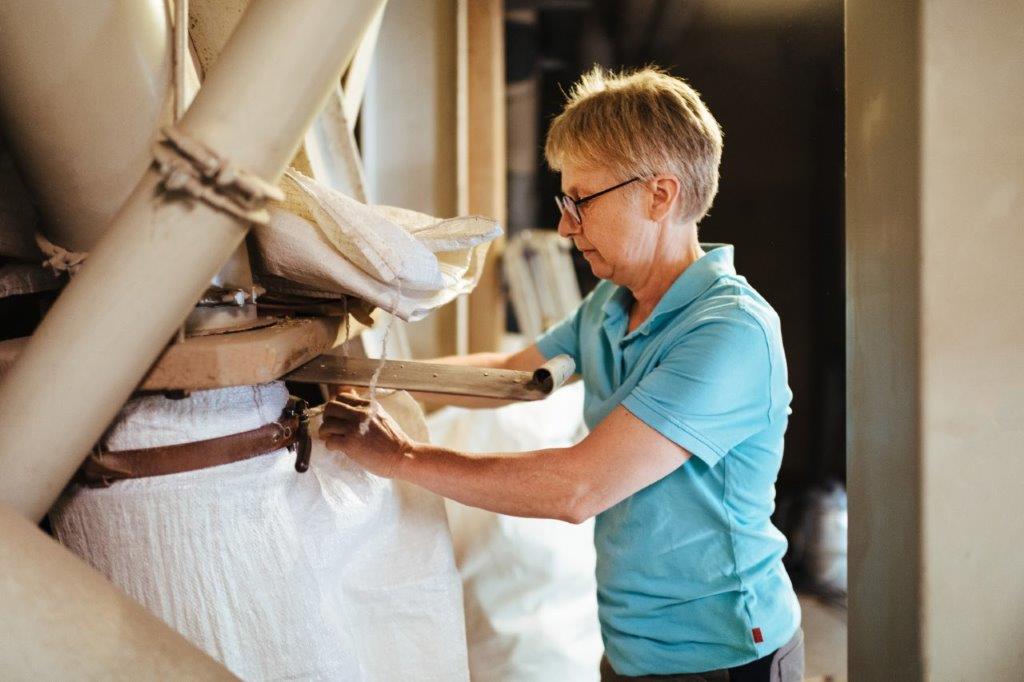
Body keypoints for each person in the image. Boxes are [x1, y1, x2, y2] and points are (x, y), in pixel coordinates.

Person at [321, 66, 803, 681]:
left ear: (660, 195)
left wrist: (401, 457)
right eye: (563, 201)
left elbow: (579, 489)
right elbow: (513, 372)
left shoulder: (730, 333)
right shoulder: (613, 302)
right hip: (630, 645)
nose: (565, 226)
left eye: (582, 201)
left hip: (725, 653)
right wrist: (368, 375)